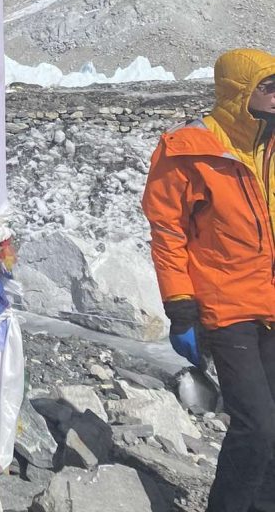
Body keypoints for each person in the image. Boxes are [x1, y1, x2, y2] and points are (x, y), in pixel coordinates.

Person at [142, 48, 275, 512]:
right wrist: (181, 309)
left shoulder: (270, 144)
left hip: (271, 302)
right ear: (240, 93)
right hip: (225, 306)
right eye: (269, 86)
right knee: (256, 425)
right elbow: (167, 233)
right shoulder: (188, 150)